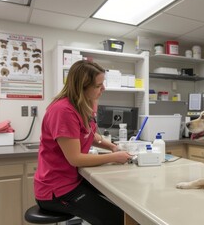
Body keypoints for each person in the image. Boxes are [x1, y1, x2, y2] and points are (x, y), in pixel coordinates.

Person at [34, 60, 132, 225]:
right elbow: (76, 159)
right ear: (82, 87)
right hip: (57, 190)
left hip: (72, 181)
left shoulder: (82, 105)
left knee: (124, 201)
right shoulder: (63, 111)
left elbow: (87, 135)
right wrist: (114, 157)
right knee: (118, 219)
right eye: (98, 86)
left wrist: (111, 146)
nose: (103, 89)